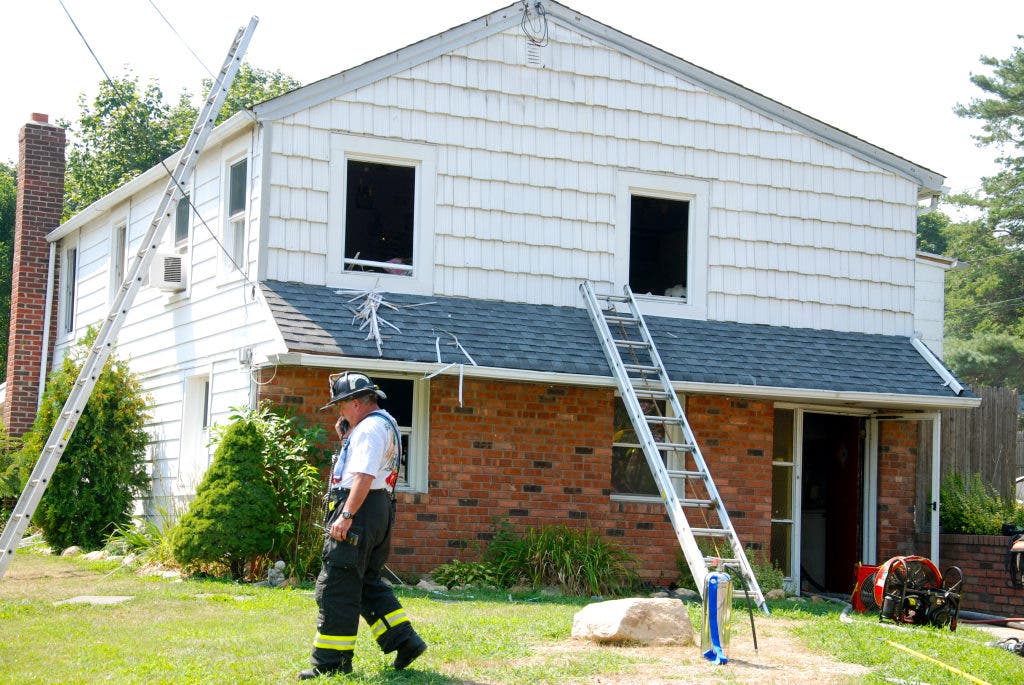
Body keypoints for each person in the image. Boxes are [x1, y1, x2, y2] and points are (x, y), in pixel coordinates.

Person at [299, 371, 427, 680]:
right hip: (378, 510)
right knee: (366, 582)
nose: (339, 411)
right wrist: (346, 436)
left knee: (337, 586)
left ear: (355, 403)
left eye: (341, 405)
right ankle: (404, 641)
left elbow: (364, 476)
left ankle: (330, 663)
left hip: (359, 509)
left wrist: (346, 515)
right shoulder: (386, 423)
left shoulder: (368, 429)